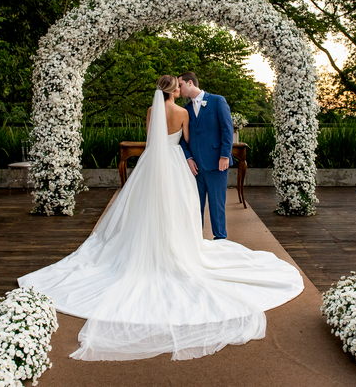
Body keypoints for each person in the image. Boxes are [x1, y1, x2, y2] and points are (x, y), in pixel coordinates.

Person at [17, 75, 303, 361]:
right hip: (175, 162)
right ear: (174, 91)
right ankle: (178, 244)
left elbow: (151, 138)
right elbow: (186, 140)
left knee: (145, 205)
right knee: (179, 205)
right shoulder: (182, 113)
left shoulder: (152, 112)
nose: (181, 89)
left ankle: (148, 242)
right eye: (177, 86)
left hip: (152, 163)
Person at [177, 72, 232, 240]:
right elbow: (181, 139)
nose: (178, 89)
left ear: (190, 83)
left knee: (217, 204)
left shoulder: (217, 101)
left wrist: (224, 155)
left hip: (216, 163)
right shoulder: (185, 110)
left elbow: (227, 129)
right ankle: (196, 240)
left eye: (180, 85)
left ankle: (220, 238)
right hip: (195, 167)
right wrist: (188, 158)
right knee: (195, 205)